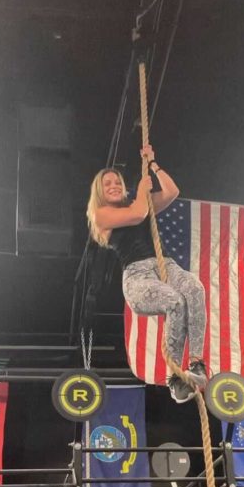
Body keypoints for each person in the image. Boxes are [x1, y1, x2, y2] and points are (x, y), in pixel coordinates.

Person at [86, 144, 207, 403]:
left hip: (164, 265)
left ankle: (196, 363)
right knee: (174, 301)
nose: (114, 186)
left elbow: (172, 192)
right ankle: (175, 377)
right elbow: (138, 213)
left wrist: (153, 165)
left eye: (117, 181)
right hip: (137, 275)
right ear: (100, 191)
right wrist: (142, 189)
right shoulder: (102, 214)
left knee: (195, 289)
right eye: (107, 184)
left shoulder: (138, 202)